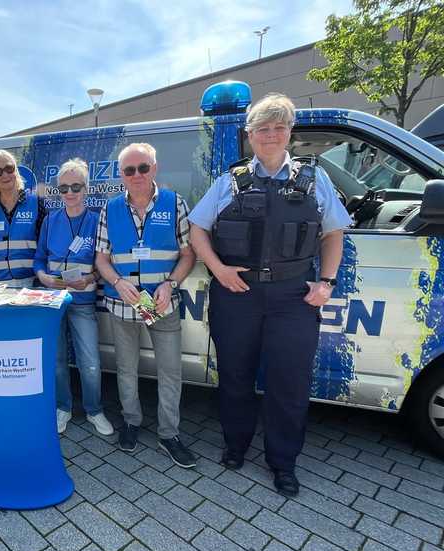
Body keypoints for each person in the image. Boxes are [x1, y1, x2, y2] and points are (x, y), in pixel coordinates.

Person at [188, 93, 352, 496]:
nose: (271, 134)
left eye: (279, 127)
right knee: (235, 375)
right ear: (250, 135)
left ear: (290, 133)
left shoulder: (315, 180)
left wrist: (326, 282)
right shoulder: (231, 181)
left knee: (290, 383)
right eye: (263, 128)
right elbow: (197, 230)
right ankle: (235, 445)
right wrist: (218, 268)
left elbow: (333, 233)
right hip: (237, 294)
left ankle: (282, 462)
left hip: (293, 296)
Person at [95, 142, 197, 466]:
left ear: (154, 168)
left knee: (170, 371)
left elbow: (188, 253)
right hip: (122, 304)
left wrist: (171, 283)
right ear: (121, 175)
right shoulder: (109, 209)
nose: (136, 175)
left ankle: (169, 434)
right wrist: (117, 281)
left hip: (161, 304)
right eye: (129, 170)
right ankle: (131, 422)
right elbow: (101, 258)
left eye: (142, 167)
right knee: (127, 369)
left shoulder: (175, 202)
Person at [34, 158, 112, 436]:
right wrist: (42, 277)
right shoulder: (51, 220)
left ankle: (94, 410)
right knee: (56, 360)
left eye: (75, 186)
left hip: (83, 302)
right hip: (53, 301)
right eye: (63, 188)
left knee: (90, 361)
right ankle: (63, 408)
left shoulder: (97, 220)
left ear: (86, 188)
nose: (69, 193)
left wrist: (90, 278)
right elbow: (40, 259)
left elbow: (105, 263)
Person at [0, 150, 46, 286]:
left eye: (9, 168)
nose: (5, 175)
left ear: (16, 171)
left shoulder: (35, 203)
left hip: (29, 283)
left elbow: (45, 248)